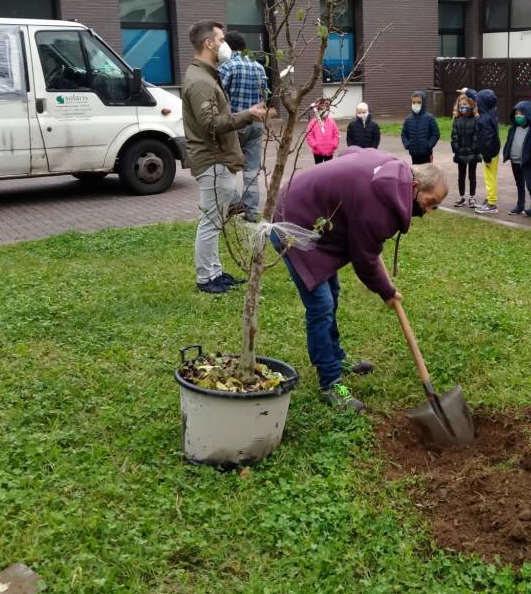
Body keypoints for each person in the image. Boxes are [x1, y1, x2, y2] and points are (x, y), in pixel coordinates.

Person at [272, 149, 448, 410]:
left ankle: (336, 357)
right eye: (429, 201)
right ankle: (332, 384)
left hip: (314, 218)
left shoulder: (392, 167)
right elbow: (364, 260)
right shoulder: (379, 209)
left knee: (331, 292)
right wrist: (387, 291)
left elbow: (351, 152)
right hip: (295, 223)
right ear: (413, 186)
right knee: (320, 305)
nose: (428, 210)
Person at [182, 20, 269, 294]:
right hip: (213, 159)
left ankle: (215, 272)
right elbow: (211, 124)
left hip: (219, 159)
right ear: (208, 43)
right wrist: (248, 115)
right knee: (211, 222)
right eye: (220, 39)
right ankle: (206, 278)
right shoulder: (200, 82)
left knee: (217, 218)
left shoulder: (207, 75)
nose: (224, 44)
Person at [219, 31, 268, 222]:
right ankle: (252, 212)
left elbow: (218, 98)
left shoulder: (227, 67)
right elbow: (265, 97)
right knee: (252, 171)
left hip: (234, 124)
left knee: (223, 165)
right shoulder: (259, 67)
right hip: (255, 124)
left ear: (227, 47)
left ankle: (233, 201)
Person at [503, 100, 531, 216]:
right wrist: (506, 153)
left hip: (527, 162)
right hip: (514, 161)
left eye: (521, 114)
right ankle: (520, 205)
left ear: (527, 114)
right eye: (516, 114)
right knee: (519, 184)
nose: (518, 116)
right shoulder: (512, 129)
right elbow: (509, 142)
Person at [450, 93, 481, 208]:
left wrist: (473, 149)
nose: (463, 107)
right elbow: (454, 136)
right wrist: (457, 149)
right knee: (461, 175)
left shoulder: (475, 119)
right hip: (460, 153)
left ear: (471, 105)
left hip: (473, 153)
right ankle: (461, 196)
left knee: (472, 175)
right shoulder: (456, 120)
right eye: (461, 105)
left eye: (465, 104)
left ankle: (472, 197)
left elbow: (477, 136)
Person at [474, 89, 501, 215]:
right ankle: (490, 198)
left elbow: (487, 140)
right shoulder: (492, 113)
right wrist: (468, 91)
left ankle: (491, 203)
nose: (476, 104)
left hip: (490, 153)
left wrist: (487, 157)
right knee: (491, 176)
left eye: (478, 103)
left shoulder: (483, 120)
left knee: (489, 178)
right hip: (494, 150)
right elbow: (478, 96)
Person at [401, 90, 440, 165]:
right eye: (414, 102)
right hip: (413, 153)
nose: (416, 104)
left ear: (424, 103)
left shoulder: (430, 118)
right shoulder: (408, 119)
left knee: (426, 174)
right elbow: (404, 134)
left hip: (426, 153)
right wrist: (407, 144)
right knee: (416, 173)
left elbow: (435, 134)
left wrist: (429, 145)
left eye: (419, 102)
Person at [306, 98, 339, 164]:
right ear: (317, 110)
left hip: (329, 151)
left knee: (329, 170)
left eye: (325, 109)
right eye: (321, 109)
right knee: (318, 170)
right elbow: (309, 135)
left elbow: (336, 134)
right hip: (317, 151)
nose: (323, 111)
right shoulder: (313, 122)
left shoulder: (332, 122)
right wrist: (315, 144)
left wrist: (334, 144)